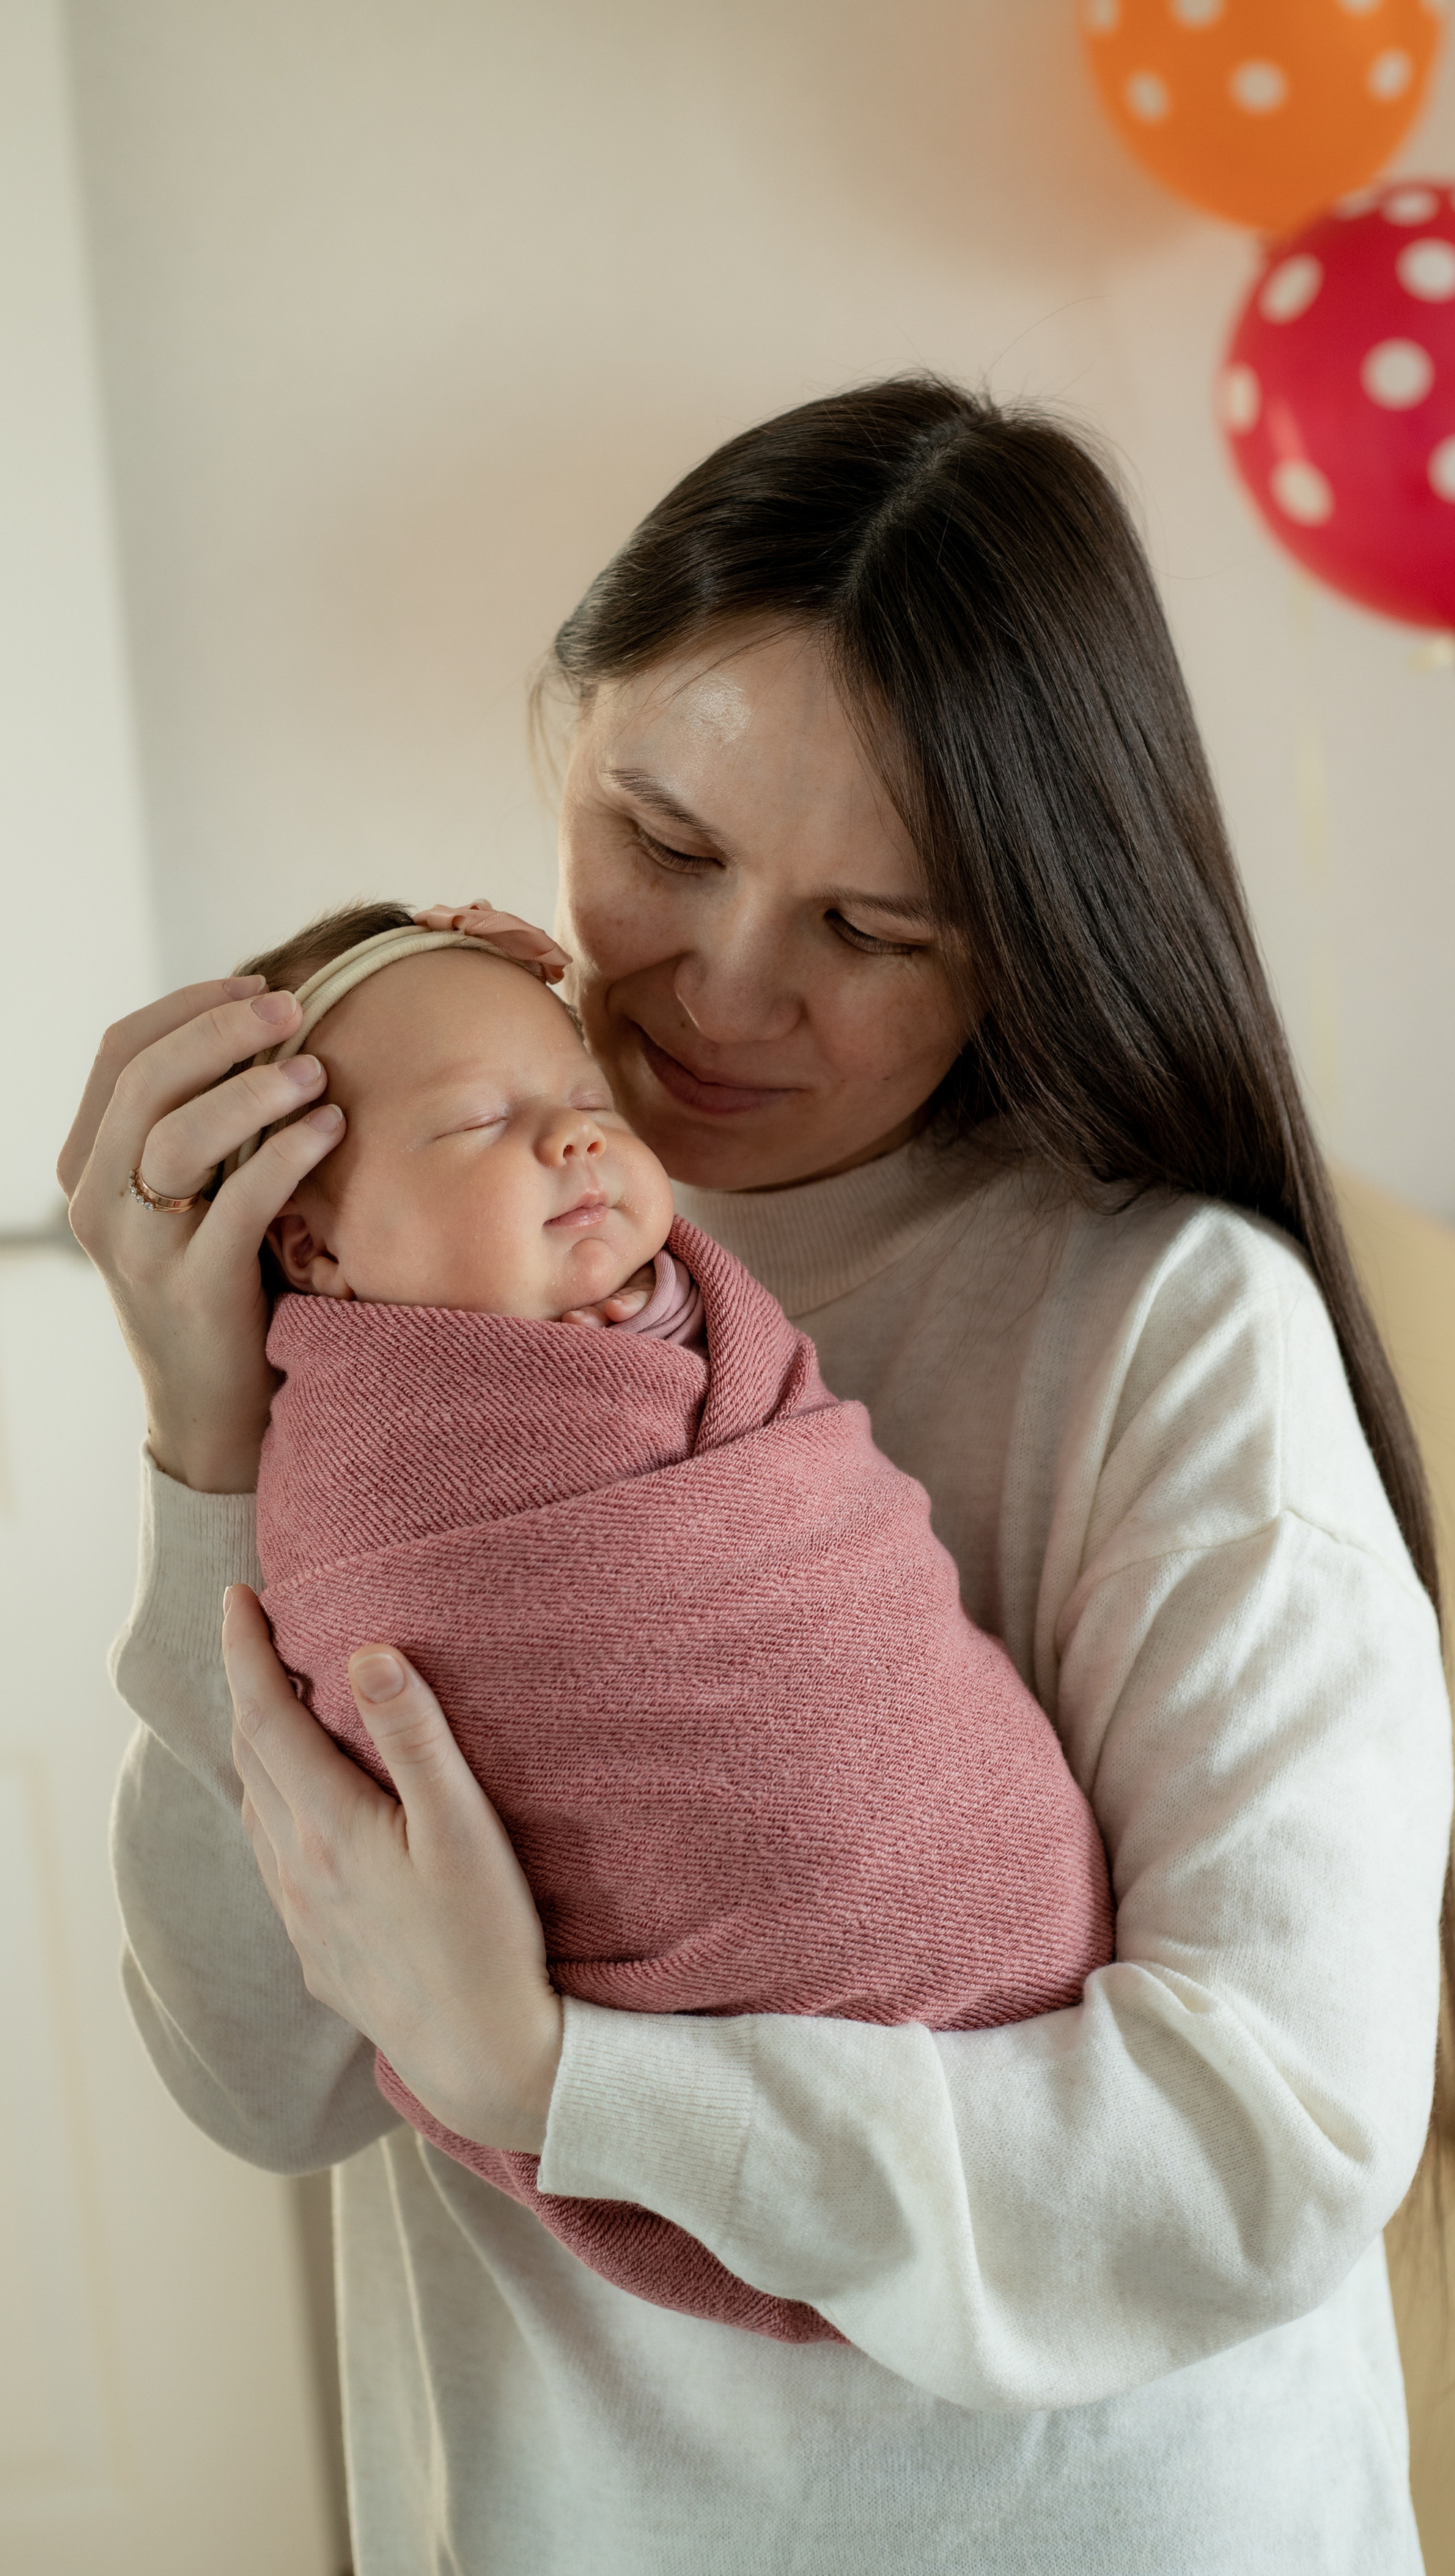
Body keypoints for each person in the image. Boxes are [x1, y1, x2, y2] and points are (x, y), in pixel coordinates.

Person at [62, 376, 1455, 2574]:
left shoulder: (1163, 1332)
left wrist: (567, 2091)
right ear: (569, 730)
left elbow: (1262, 2146)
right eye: (667, 844)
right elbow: (266, 2078)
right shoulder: (390, 1305)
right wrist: (203, 1443)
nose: (717, 990)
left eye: (873, 930)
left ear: (1032, 922)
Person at [240, 891, 1113, 2341]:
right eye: (475, 1122)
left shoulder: (717, 1316)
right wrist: (194, 1442)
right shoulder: (366, 1460)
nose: (573, 1136)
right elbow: (275, 2064)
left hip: (1026, 2067)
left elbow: (816, 1542)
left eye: (582, 1098)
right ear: (314, 1253)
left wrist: (537, 2073)